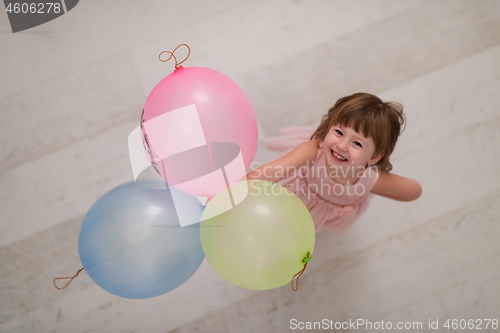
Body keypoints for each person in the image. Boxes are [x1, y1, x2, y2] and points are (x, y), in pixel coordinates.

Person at [245, 92, 422, 234]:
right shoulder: (313, 151)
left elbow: (413, 192)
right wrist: (232, 194)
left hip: (317, 210)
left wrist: (373, 186)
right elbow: (268, 173)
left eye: (357, 143)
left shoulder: (368, 178)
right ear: (329, 126)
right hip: (295, 189)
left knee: (292, 229)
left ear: (374, 157)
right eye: (338, 132)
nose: (342, 145)